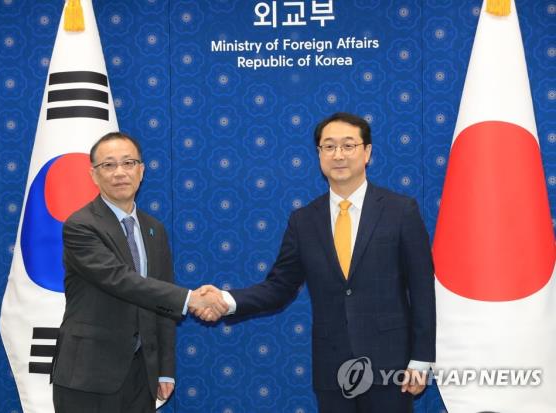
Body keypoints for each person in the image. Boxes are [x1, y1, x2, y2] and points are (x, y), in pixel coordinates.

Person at [201, 113, 436, 413]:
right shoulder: (304, 220)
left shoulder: (400, 210)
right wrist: (226, 299)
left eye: (348, 145)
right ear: (319, 155)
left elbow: (422, 289)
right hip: (332, 367)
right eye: (329, 146)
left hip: (391, 367)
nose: (338, 155)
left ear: (367, 153)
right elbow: (279, 287)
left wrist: (421, 358)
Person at [51, 132, 226, 413]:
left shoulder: (153, 229)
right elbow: (120, 281)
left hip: (141, 375)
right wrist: (192, 298)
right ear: (93, 175)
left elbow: (163, 303)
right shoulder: (81, 225)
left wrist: (165, 369)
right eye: (108, 165)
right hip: (87, 374)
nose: (120, 172)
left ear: (141, 171)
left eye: (128, 163)